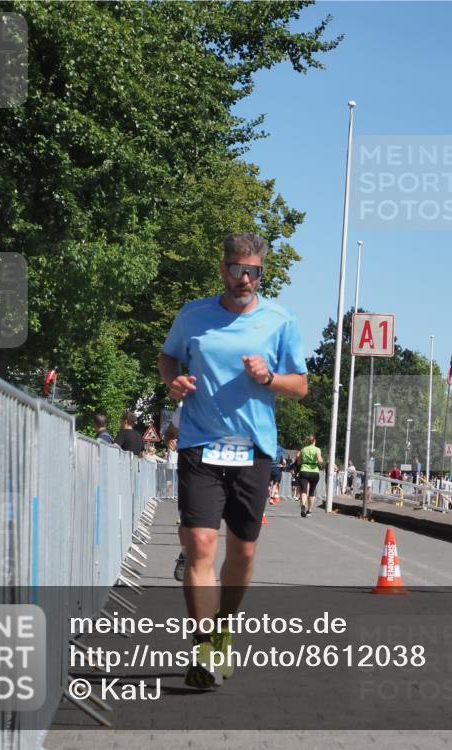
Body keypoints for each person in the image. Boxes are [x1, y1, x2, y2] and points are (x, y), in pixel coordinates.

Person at [158, 232, 308, 690]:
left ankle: (224, 628)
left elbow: (300, 385)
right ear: (223, 269)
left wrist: (269, 378)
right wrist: (174, 383)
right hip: (201, 444)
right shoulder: (194, 315)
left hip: (254, 449)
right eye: (237, 269)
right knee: (202, 545)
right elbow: (168, 358)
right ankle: (202, 646)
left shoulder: (279, 321)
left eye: (253, 271)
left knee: (242, 553)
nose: (244, 278)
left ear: (261, 273)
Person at [296, 435, 324, 518]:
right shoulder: (317, 449)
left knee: (304, 490)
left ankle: (303, 505)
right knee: (312, 491)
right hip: (314, 471)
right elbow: (319, 460)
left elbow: (298, 459)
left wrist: (300, 463)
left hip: (304, 470)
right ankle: (309, 511)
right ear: (314, 441)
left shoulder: (303, 449)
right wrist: (322, 461)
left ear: (308, 441)